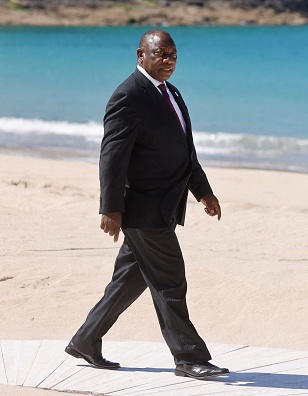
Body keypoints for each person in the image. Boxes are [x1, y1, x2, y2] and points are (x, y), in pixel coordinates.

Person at [65, 29, 229, 380]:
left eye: (173, 55)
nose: (168, 61)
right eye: (161, 55)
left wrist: (203, 192)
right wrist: (110, 207)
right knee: (170, 282)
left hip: (166, 205)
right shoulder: (129, 95)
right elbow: (112, 157)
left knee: (129, 279)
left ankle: (86, 339)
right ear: (141, 55)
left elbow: (186, 151)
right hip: (143, 210)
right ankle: (188, 357)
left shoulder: (172, 92)